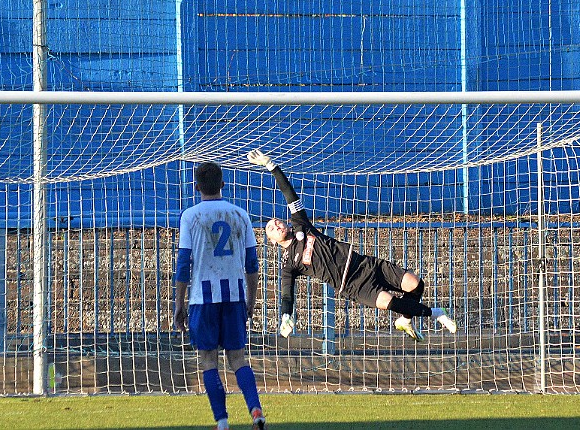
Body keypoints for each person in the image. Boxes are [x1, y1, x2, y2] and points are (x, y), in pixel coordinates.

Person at [247, 150, 457, 342]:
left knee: (415, 284)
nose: (276, 225)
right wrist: (286, 315)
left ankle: (406, 319)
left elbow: (290, 195)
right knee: (390, 301)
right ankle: (436, 313)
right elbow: (286, 293)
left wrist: (271, 165)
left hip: (365, 264)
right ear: (272, 241)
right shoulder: (288, 264)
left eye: (276, 221)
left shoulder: (302, 225)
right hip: (353, 285)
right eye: (271, 229)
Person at [174, 162, 266, 430]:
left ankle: (222, 422)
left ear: (196, 187)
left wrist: (179, 304)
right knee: (238, 359)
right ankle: (256, 411)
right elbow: (252, 264)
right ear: (223, 184)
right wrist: (251, 300)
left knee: (208, 360)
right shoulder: (240, 214)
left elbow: (183, 264)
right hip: (235, 295)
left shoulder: (190, 216)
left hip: (203, 299)